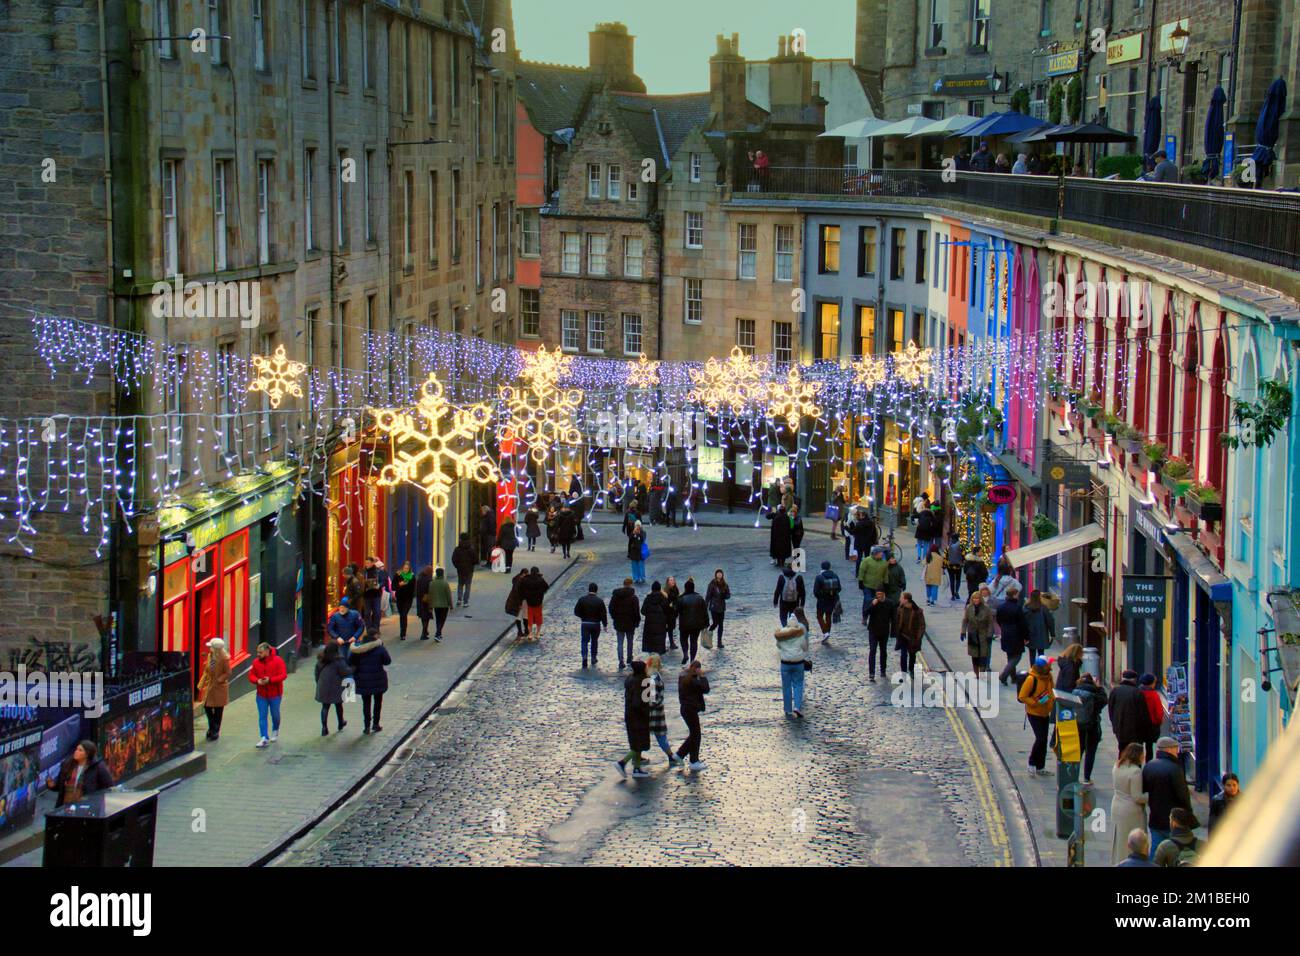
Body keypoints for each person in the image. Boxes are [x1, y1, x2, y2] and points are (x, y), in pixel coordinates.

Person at [1143, 735, 1193, 856]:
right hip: (1173, 819)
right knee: (1175, 850)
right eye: (1175, 748)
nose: (1177, 751)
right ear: (1168, 749)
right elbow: (1183, 796)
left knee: (1156, 849)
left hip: (1155, 817)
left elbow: (1144, 788)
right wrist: (1189, 814)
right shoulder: (1175, 769)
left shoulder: (1149, 766)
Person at [1110, 742, 1150, 864]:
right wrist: (1150, 795)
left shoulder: (1117, 766)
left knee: (1119, 841)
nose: (1143, 758)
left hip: (1117, 806)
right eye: (1142, 755)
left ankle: (1118, 863)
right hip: (1131, 811)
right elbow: (1137, 797)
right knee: (1132, 842)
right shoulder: (1135, 772)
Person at [349, 628, 392, 734]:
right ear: (376, 636)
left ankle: (366, 726)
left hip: (363, 680)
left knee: (366, 704)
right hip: (378, 680)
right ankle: (376, 724)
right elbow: (387, 661)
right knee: (378, 703)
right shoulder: (380, 649)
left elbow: (350, 661)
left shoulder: (358, 648)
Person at [1018, 655, 1055, 776]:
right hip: (1034, 713)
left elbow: (1052, 691)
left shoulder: (1049, 677)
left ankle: (1040, 766)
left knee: (1044, 740)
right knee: (1040, 738)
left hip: (1045, 712)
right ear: (1042, 666)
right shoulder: (1031, 679)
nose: (1050, 666)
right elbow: (1022, 696)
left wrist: (1052, 700)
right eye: (1048, 664)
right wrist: (1034, 703)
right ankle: (1032, 763)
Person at [48, 739, 114, 807]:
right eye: (76, 749)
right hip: (65, 807)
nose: (76, 752)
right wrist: (51, 785)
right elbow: (60, 787)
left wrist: (97, 801)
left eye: (80, 750)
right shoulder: (67, 765)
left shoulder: (98, 767)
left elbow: (109, 786)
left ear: (87, 754)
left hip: (88, 808)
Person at [246, 641, 286, 748]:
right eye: (258, 652)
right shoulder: (256, 662)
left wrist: (270, 680)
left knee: (275, 714)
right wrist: (257, 681)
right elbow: (251, 675)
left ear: (267, 651)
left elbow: (283, 675)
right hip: (261, 694)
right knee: (262, 716)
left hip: (275, 694)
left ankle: (275, 729)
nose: (258, 654)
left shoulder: (278, 661)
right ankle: (264, 737)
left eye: (260, 652)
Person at [616, 660, 652, 778]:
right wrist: (647, 713)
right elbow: (644, 701)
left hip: (629, 714)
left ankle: (637, 768)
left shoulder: (629, 679)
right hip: (640, 716)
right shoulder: (645, 681)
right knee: (639, 744)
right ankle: (623, 762)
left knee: (635, 742)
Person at [645, 654, 682, 767]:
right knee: (660, 735)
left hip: (652, 711)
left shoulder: (651, 677)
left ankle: (670, 755)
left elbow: (651, 698)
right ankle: (670, 756)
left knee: (649, 735)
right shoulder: (655, 677)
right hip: (657, 711)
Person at [1108, 669, 1153, 756]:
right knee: (1135, 754)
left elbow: (1111, 710)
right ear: (1134, 680)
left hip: (1120, 728)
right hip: (1135, 731)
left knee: (1122, 751)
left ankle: (1121, 767)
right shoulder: (1137, 692)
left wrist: (1115, 724)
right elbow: (1143, 714)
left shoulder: (1115, 691)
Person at [676, 660, 710, 770]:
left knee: (694, 734)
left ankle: (680, 754)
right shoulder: (694, 680)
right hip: (690, 709)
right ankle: (693, 760)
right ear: (697, 669)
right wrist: (703, 676)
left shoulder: (683, 678)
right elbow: (706, 689)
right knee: (696, 735)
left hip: (685, 709)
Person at [1073, 671, 1107, 783]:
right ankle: (1087, 778)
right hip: (1092, 725)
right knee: (1090, 752)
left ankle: (1074, 776)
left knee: (1078, 751)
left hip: (1078, 725)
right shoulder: (1095, 693)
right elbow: (1104, 700)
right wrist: (1099, 687)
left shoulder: (1075, 691)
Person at [314, 642, 353, 737]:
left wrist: (319, 684)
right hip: (336, 687)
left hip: (323, 686)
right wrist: (353, 668)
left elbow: (316, 674)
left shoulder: (321, 660)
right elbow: (345, 672)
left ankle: (324, 728)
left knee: (325, 707)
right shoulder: (339, 660)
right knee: (338, 705)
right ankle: (340, 723)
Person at [774, 621, 810, 718]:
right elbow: (805, 648)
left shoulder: (781, 635)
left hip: (785, 663)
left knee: (786, 686)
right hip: (798, 663)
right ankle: (797, 707)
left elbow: (778, 646)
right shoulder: (800, 635)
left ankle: (787, 709)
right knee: (798, 685)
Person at [198, 636, 231, 741]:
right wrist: (201, 684)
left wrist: (219, 680)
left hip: (219, 688)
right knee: (207, 707)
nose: (209, 648)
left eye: (211, 647)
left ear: (216, 648)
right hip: (210, 686)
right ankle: (212, 726)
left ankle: (215, 730)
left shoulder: (224, 658)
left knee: (218, 710)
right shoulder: (210, 656)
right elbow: (206, 671)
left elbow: (228, 672)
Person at [996, 588, 1028, 685]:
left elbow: (998, 620)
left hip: (1005, 633)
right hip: (1016, 634)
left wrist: (1004, 628)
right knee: (1017, 656)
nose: (1018, 596)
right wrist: (1026, 636)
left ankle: (1013, 677)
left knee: (1010, 655)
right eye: (1017, 594)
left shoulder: (1001, 607)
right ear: (1014, 595)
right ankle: (1004, 675)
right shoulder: (1017, 608)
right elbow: (1023, 623)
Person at [573, 582, 608, 670]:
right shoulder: (600, 601)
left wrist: (583, 617)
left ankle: (584, 656)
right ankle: (593, 657)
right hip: (596, 624)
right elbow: (603, 614)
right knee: (594, 641)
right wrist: (604, 624)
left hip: (585, 624)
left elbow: (576, 611)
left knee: (584, 641)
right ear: (596, 590)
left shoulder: (582, 599)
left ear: (589, 590)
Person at [865, 588, 896, 682]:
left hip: (884, 631)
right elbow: (865, 612)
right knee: (872, 650)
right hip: (873, 631)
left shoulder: (890, 603)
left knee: (883, 651)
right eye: (877, 594)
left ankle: (883, 670)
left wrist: (893, 632)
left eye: (880, 594)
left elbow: (893, 618)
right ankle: (871, 673)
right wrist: (872, 605)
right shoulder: (872, 602)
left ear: (884, 594)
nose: (879, 596)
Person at [676, 578, 709, 664]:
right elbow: (705, 611)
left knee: (683, 639)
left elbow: (677, 610)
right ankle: (692, 660)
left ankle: (685, 653)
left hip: (684, 624)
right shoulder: (699, 598)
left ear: (685, 588)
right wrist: (706, 623)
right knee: (694, 641)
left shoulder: (681, 598)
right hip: (696, 624)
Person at [609, 578, 640, 669]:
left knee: (620, 643)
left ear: (623, 584)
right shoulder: (633, 598)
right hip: (630, 623)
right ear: (631, 584)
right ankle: (629, 658)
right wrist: (636, 622)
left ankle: (620, 660)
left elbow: (611, 608)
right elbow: (636, 612)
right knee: (630, 642)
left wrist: (615, 617)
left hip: (619, 622)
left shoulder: (615, 596)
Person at [962, 591, 995, 677]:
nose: (975, 600)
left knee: (983, 654)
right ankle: (976, 673)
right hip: (972, 634)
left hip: (983, 634)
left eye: (977, 598)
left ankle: (982, 671)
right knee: (974, 655)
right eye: (974, 599)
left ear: (980, 599)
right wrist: (963, 631)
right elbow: (965, 620)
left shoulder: (986, 608)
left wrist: (989, 634)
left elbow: (990, 623)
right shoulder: (969, 608)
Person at [894, 591, 926, 677]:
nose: (899, 599)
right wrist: (897, 633)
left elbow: (922, 625)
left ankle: (911, 669)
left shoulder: (917, 611)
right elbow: (897, 622)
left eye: (901, 598)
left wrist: (918, 637)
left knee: (912, 655)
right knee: (903, 655)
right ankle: (903, 673)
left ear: (906, 600)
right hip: (903, 636)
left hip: (913, 637)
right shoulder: (900, 609)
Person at [812, 560, 842, 643]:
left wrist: (819, 597)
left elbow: (815, 591)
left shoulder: (819, 577)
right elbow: (839, 588)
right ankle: (827, 632)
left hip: (822, 600)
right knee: (828, 616)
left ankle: (825, 632)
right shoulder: (835, 575)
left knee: (819, 616)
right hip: (832, 600)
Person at [326, 597, 364, 662]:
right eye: (340, 607)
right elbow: (330, 629)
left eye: (343, 607)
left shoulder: (355, 614)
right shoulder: (335, 616)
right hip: (341, 643)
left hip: (352, 642)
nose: (342, 609)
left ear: (348, 608)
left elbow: (361, 626)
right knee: (342, 660)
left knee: (353, 659)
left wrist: (355, 636)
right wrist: (337, 637)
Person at [857, 547, 890, 622]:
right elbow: (862, 571)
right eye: (880, 553)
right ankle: (865, 616)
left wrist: (886, 583)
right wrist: (860, 581)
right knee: (867, 600)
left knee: (877, 602)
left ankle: (874, 617)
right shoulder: (867, 560)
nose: (882, 554)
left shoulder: (884, 563)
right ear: (876, 554)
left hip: (878, 587)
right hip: (867, 585)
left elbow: (885, 574)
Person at [773, 561, 808, 628]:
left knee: (783, 616)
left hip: (784, 601)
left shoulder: (782, 577)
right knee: (793, 617)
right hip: (795, 601)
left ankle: (785, 628)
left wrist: (775, 602)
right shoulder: (799, 577)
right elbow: (802, 592)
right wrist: (802, 604)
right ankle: (792, 629)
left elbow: (778, 590)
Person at [1139, 673, 1166, 761]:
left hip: (1139, 724)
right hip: (1151, 725)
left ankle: (1138, 763)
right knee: (1149, 747)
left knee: (1139, 746)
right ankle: (1148, 764)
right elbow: (1159, 712)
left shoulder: (1137, 693)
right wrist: (1158, 722)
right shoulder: (1154, 695)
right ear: (1151, 683)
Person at [519, 566, 549, 642]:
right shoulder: (540, 580)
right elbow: (546, 587)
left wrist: (525, 595)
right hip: (538, 602)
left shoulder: (526, 580)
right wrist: (541, 593)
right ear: (538, 572)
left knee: (530, 618)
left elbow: (520, 588)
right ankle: (538, 633)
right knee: (539, 617)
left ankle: (530, 634)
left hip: (529, 602)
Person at [640, 581, 670, 655]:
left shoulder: (648, 599)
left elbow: (643, 611)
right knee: (659, 643)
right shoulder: (663, 598)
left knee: (650, 645)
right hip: (661, 625)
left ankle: (651, 660)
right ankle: (658, 660)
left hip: (649, 625)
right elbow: (668, 611)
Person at [1024, 590, 1056, 657]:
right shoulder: (1043, 608)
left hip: (1030, 634)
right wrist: (1052, 633)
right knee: (1041, 653)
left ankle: (1032, 667)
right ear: (1039, 597)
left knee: (1032, 653)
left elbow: (1023, 621)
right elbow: (1050, 621)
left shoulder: (1026, 607)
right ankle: (1040, 666)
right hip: (1042, 634)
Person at [705, 569, 731, 648]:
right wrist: (705, 605)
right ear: (716, 575)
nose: (719, 575)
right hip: (714, 607)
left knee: (721, 625)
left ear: (722, 575)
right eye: (718, 573)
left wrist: (725, 596)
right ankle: (708, 636)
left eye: (720, 574)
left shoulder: (725, 584)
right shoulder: (712, 584)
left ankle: (719, 642)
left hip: (722, 607)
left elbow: (728, 595)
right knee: (715, 623)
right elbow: (708, 595)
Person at [426, 567, 453, 642]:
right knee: (442, 620)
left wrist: (430, 606)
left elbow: (430, 595)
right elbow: (448, 595)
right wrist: (451, 606)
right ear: (443, 574)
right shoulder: (445, 583)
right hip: (444, 605)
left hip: (436, 605)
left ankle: (439, 634)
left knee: (438, 620)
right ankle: (437, 634)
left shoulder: (432, 583)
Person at [451, 533, 477, 608]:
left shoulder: (457, 549)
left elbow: (454, 559)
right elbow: (476, 559)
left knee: (460, 584)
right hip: (469, 570)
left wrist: (457, 566)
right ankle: (466, 601)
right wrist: (472, 565)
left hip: (460, 570)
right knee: (468, 585)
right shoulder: (471, 549)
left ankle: (459, 599)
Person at [392, 560, 416, 640]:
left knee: (404, 614)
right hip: (400, 598)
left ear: (409, 569)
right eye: (404, 568)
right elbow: (393, 586)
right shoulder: (398, 575)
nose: (405, 570)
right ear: (402, 568)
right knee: (401, 615)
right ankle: (402, 630)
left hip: (408, 599)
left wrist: (407, 586)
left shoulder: (412, 577)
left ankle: (403, 634)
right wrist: (400, 584)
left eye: (407, 569)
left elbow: (414, 589)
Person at [362, 556, 387, 630]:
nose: (367, 564)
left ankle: (376, 629)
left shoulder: (378, 571)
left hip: (376, 595)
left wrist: (379, 585)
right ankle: (369, 629)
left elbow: (383, 581)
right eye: (366, 563)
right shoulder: (363, 571)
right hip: (366, 595)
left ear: (373, 563)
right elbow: (361, 581)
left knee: (376, 613)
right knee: (367, 613)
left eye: (368, 563)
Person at [504, 567, 529, 639]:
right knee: (521, 616)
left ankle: (522, 631)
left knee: (521, 616)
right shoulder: (519, 582)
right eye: (526, 575)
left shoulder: (517, 579)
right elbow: (517, 593)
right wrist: (520, 604)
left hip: (515, 601)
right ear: (523, 574)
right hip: (517, 602)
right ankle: (521, 631)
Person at [415, 565, 434, 640]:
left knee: (423, 617)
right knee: (426, 617)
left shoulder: (419, 578)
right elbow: (430, 591)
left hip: (420, 600)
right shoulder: (429, 580)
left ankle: (425, 631)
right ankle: (424, 632)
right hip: (427, 601)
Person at [662, 575, 681, 651]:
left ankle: (672, 643)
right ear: (667, 582)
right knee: (665, 629)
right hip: (666, 613)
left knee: (671, 629)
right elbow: (663, 602)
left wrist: (675, 605)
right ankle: (663, 644)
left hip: (673, 613)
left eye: (673, 580)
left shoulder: (676, 589)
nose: (672, 581)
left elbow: (677, 599)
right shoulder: (665, 591)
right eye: (670, 580)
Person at [944, 537, 965, 602]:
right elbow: (964, 555)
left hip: (950, 567)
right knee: (958, 580)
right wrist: (963, 563)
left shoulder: (948, 547)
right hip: (958, 566)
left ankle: (952, 595)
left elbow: (945, 557)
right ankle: (957, 592)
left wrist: (944, 566)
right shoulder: (961, 547)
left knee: (952, 580)